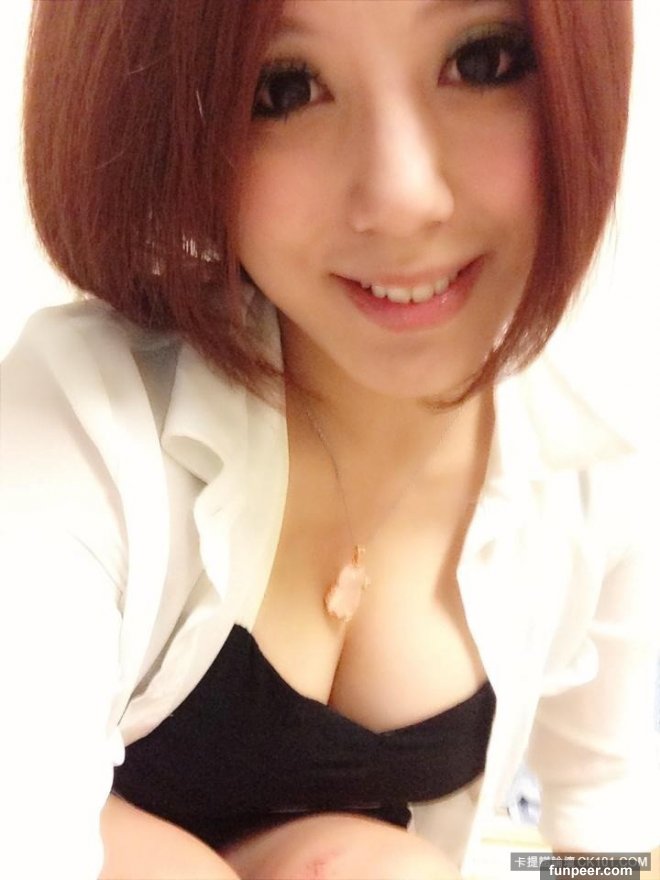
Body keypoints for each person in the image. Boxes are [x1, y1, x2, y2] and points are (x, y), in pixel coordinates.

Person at [2, 1, 658, 878]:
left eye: (482, 61)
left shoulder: (599, 449)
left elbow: (606, 829)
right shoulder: (79, 424)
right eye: (285, 88)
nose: (403, 198)